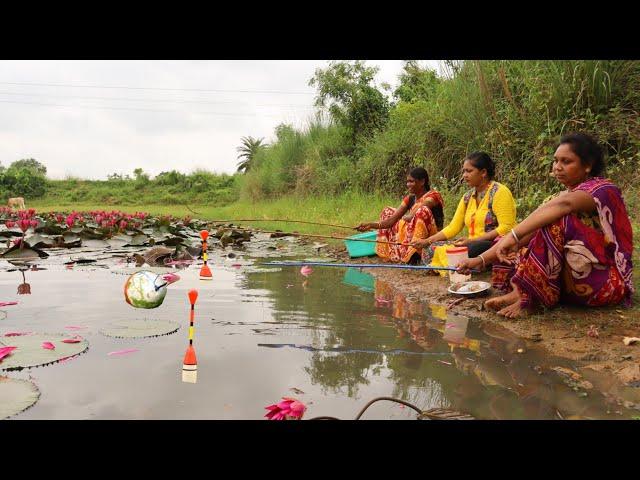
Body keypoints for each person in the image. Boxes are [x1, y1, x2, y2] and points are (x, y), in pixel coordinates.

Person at [457, 133, 634, 318]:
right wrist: (479, 260)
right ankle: (520, 291)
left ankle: (532, 299)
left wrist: (513, 236)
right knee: (511, 239)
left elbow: (565, 205)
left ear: (588, 165)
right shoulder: (561, 197)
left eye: (566, 161)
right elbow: (527, 233)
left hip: (604, 285)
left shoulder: (603, 189)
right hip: (572, 281)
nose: (557, 167)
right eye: (556, 161)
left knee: (553, 223)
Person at [410, 152, 517, 271]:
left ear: (483, 172)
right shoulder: (467, 197)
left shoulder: (500, 192)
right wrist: (427, 241)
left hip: (493, 244)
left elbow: (506, 228)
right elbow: (453, 227)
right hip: (471, 243)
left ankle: (478, 263)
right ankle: (469, 264)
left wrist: (473, 240)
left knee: (468, 250)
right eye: (464, 171)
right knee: (431, 248)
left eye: (469, 171)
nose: (465, 175)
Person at [356, 167, 444, 264]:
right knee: (387, 211)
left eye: (411, 181)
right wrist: (370, 225)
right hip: (414, 233)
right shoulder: (410, 198)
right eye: (407, 182)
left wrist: (408, 217)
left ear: (422, 181)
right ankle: (399, 253)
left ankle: (415, 255)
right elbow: (391, 221)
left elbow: (421, 207)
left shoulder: (433, 195)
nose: (408, 185)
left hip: (433, 236)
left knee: (422, 211)